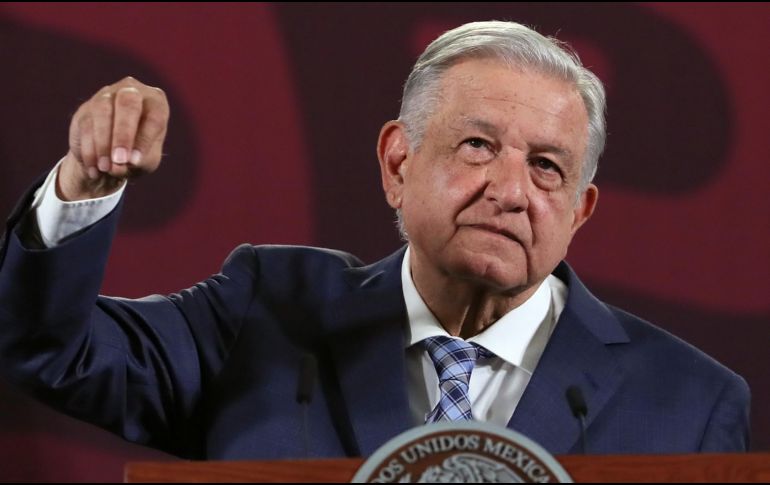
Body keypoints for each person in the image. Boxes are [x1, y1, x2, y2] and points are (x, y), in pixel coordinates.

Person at [0, 21, 749, 460]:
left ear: (580, 211)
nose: (512, 190)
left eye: (547, 167)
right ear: (398, 163)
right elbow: (48, 351)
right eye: (479, 146)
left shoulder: (690, 404)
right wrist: (84, 188)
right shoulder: (265, 313)